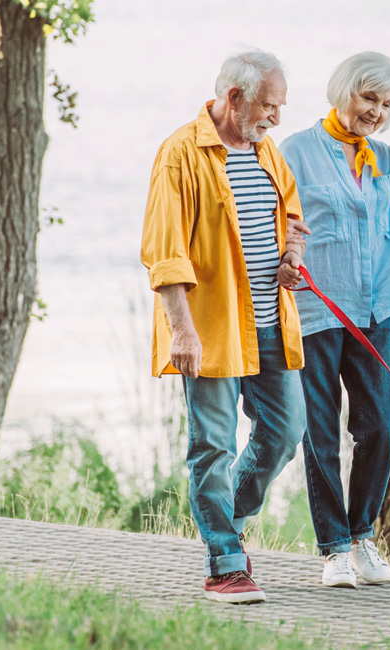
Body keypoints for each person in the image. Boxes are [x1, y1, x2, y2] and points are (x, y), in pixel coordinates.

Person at [141, 47, 311, 604]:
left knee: (285, 433)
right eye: (269, 106)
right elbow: (165, 253)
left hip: (270, 322)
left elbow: (292, 215)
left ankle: (226, 521)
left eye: (281, 107)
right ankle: (225, 563)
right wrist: (181, 331)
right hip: (210, 327)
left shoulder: (267, 150)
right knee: (213, 445)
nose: (276, 118)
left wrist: (292, 256)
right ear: (234, 98)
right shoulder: (180, 154)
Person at [279, 51, 390, 588]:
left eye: (384, 102)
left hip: (376, 313)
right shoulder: (296, 152)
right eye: (367, 99)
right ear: (343, 93)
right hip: (315, 312)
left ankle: (362, 536)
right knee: (320, 433)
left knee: (381, 427)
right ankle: (333, 549)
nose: (374, 111)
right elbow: (271, 217)